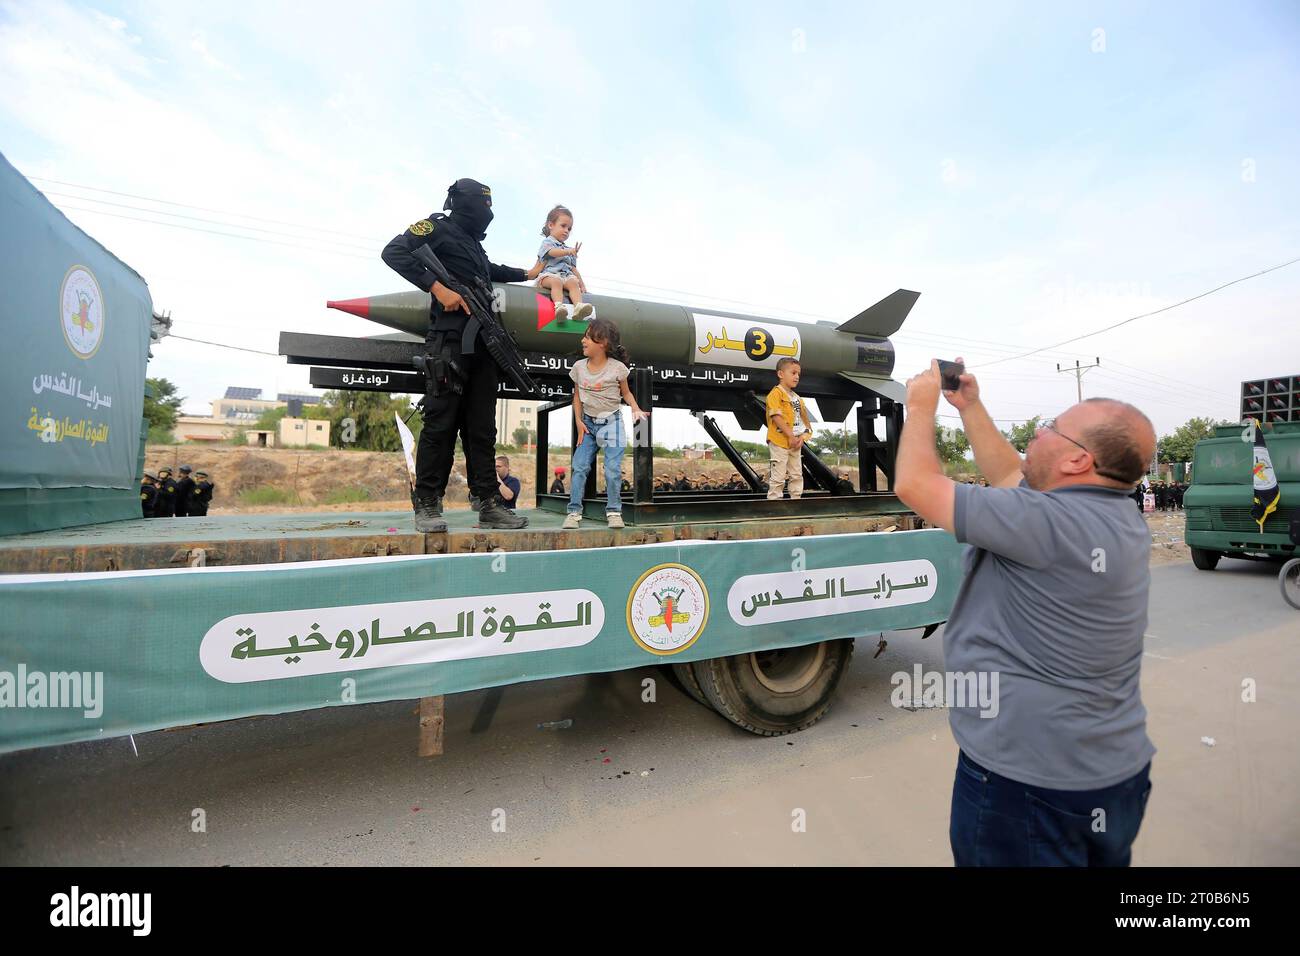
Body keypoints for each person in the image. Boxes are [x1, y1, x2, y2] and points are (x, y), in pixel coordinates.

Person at [894, 357, 1156, 867]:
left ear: (1079, 461)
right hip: (1112, 774)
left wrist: (920, 407)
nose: (1038, 430)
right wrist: (969, 407)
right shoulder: (1114, 515)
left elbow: (916, 485)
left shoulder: (1042, 522)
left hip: (1027, 787)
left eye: (1052, 427)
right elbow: (1012, 473)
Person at [381, 177, 543, 533]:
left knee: (482, 429)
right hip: (449, 343)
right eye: (484, 204)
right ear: (465, 202)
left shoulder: (472, 244)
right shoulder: (436, 228)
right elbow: (393, 251)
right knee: (440, 424)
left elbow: (491, 272)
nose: (488, 212)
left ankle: (488, 503)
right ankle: (427, 504)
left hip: (483, 345)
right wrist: (438, 289)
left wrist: (528, 274)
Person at [562, 318, 649, 529]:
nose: (583, 340)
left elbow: (626, 393)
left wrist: (636, 408)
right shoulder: (579, 367)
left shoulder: (617, 368)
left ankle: (614, 512)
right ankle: (574, 513)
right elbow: (576, 397)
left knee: (612, 469)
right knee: (579, 467)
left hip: (612, 423)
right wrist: (578, 422)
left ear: (603, 343)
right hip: (588, 426)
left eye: (588, 337)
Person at [765, 357, 812, 500]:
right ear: (780, 374)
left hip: (795, 443)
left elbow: (803, 422)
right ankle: (774, 504)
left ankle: (796, 501)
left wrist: (802, 438)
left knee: (796, 474)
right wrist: (791, 436)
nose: (797, 377)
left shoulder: (797, 398)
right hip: (780, 441)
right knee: (778, 476)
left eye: (798, 374)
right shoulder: (776, 394)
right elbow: (776, 417)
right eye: (793, 373)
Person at [536, 205, 592, 323]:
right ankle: (559, 307)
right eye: (563, 226)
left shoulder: (568, 249)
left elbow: (573, 269)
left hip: (565, 277)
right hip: (548, 276)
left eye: (569, 228)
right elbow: (552, 252)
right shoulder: (548, 242)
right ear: (551, 225)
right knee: (556, 282)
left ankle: (578, 307)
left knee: (573, 283)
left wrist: (582, 284)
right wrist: (568, 251)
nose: (566, 230)